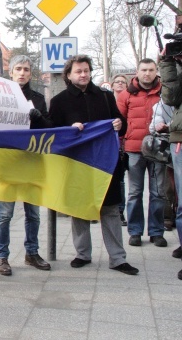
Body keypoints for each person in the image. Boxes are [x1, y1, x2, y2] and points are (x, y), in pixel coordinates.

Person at [49, 55, 139, 276]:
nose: (84, 74)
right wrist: (70, 129)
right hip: (77, 163)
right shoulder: (59, 101)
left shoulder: (106, 97)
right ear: (68, 75)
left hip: (105, 163)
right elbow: (53, 132)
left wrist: (120, 123)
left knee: (109, 209)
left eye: (86, 70)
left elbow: (122, 124)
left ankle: (118, 258)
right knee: (79, 207)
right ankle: (82, 254)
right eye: (78, 71)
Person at [0, 55, 52, 276]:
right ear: (10, 71)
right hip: (8, 162)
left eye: (26, 69)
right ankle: (1, 257)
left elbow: (49, 126)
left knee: (34, 214)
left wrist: (37, 118)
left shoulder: (37, 98)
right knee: (4, 214)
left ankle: (32, 253)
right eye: (18, 69)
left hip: (31, 161)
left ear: (30, 73)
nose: (22, 73)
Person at [117, 58, 167, 247]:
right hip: (134, 150)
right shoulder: (126, 95)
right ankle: (135, 231)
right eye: (144, 70)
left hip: (159, 150)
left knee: (158, 192)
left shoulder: (164, 92)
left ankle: (156, 232)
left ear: (156, 71)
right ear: (137, 72)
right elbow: (118, 122)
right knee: (135, 192)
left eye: (151, 70)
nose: (147, 73)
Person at [158, 46, 182, 278]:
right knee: (181, 202)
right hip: (180, 140)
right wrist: (167, 63)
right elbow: (171, 97)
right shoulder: (177, 67)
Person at [148, 99, 176, 233]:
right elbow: (153, 125)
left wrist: (169, 125)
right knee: (167, 186)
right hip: (166, 147)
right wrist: (160, 125)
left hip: (174, 143)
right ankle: (167, 216)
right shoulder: (161, 103)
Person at [111, 74, 129, 226]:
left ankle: (120, 211)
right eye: (117, 82)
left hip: (125, 144)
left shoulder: (129, 99)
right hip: (111, 145)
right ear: (112, 85)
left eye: (123, 82)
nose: (120, 84)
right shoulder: (106, 100)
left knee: (121, 181)